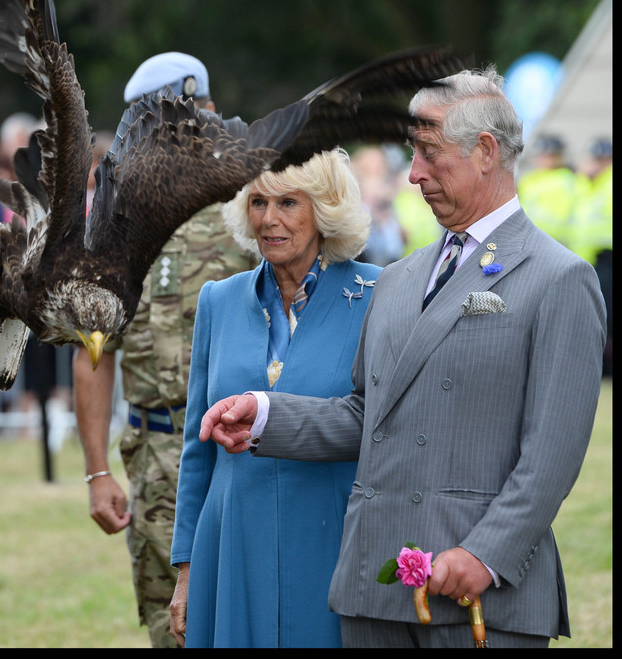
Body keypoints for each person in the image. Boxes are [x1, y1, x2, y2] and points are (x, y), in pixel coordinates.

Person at [198, 67, 607, 649]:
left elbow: (551, 457)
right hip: (374, 590)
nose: (412, 174)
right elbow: (366, 418)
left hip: (478, 597)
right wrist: (264, 415)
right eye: (411, 155)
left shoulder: (560, 279)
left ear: (486, 151)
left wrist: (486, 554)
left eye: (428, 154)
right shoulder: (398, 279)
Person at [72, 52, 257, 648]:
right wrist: (98, 471)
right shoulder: (116, 219)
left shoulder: (251, 196)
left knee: (246, 617)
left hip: (242, 448)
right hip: (152, 453)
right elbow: (94, 354)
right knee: (167, 625)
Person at [170, 148, 379, 647]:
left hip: (330, 537)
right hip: (232, 538)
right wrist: (186, 570)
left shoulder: (378, 296)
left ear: (325, 208)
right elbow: (196, 450)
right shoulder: (218, 300)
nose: (269, 220)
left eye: (288, 203)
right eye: (258, 202)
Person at [573, 138, 612, 376]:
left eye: (603, 159)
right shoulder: (588, 184)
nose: (598, 164)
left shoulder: (604, 184)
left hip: (607, 255)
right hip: (589, 258)